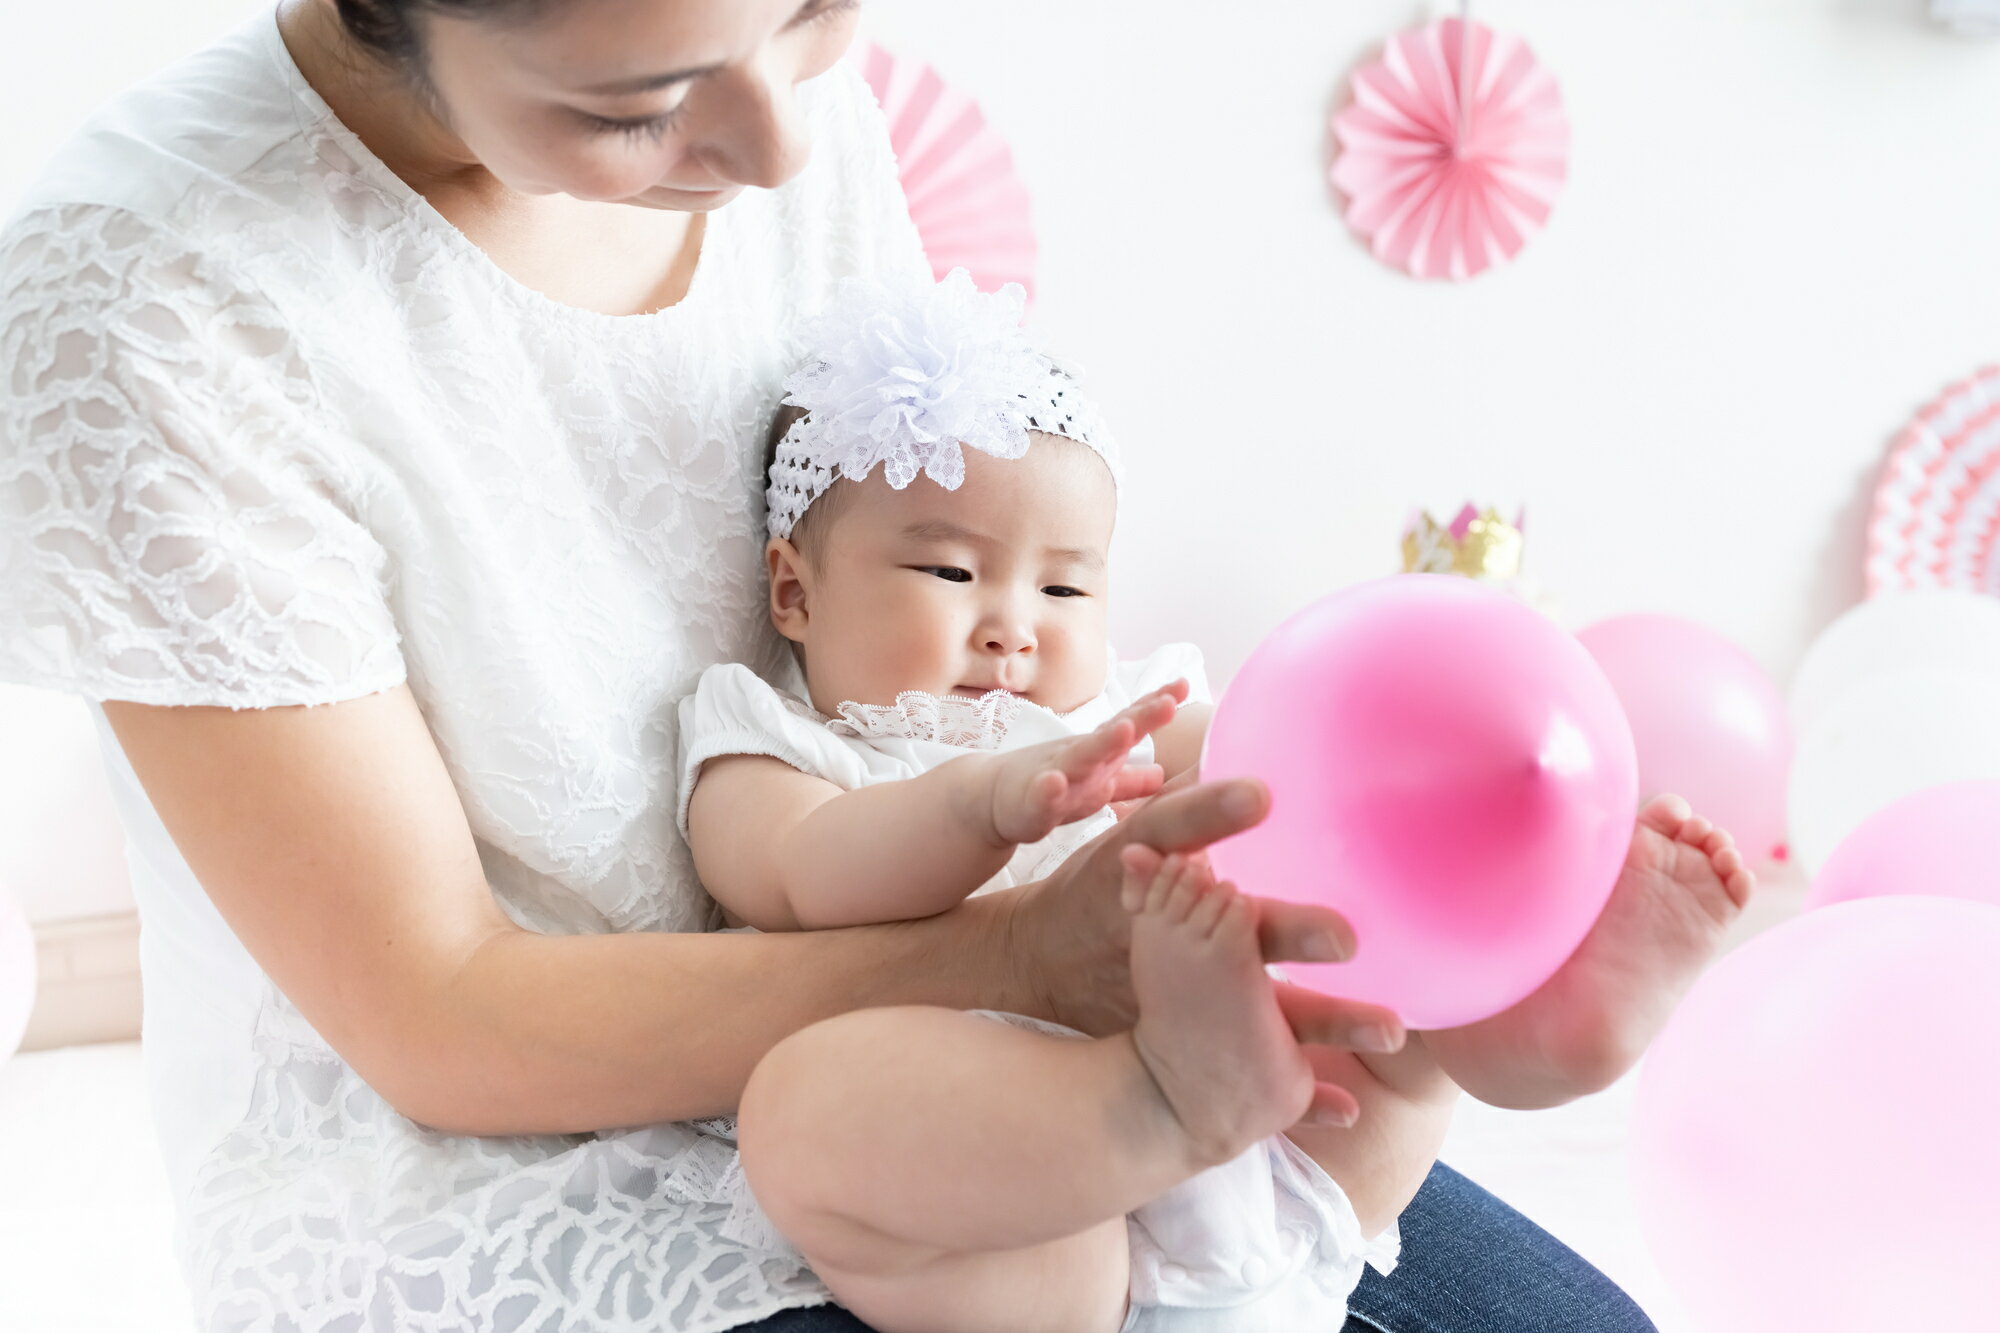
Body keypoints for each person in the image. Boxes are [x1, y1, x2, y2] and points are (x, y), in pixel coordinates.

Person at [0, 2, 1693, 1328]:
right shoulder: (153, 297)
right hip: (502, 1166)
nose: (778, 138)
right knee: (874, 1132)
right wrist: (1023, 941)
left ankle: (1535, 1010)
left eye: (816, 4)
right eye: (635, 101)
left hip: (1011, 1030)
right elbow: (442, 1015)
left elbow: (952, 584)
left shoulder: (780, 116)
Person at [673, 271, 1755, 1332]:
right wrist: (981, 805)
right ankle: (1160, 1097)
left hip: (1280, 1156)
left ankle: (1549, 1028)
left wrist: (1422, 783)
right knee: (807, 1110)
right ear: (793, 590)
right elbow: (803, 870)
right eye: (951, 574)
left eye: (1060, 586)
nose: (1013, 625)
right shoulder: (772, 740)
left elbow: (1276, 765)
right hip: (1046, 1233)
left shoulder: (1118, 707)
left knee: (1378, 974)